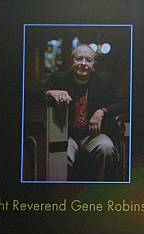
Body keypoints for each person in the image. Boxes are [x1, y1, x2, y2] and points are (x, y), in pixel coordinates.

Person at [42, 44, 120, 180]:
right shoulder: (59, 78)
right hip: (67, 135)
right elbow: (33, 96)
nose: (83, 63)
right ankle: (60, 196)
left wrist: (102, 111)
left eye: (88, 60)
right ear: (72, 61)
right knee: (59, 153)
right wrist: (51, 92)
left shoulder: (104, 81)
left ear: (94, 65)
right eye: (79, 59)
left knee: (106, 148)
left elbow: (124, 103)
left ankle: (101, 193)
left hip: (94, 135)